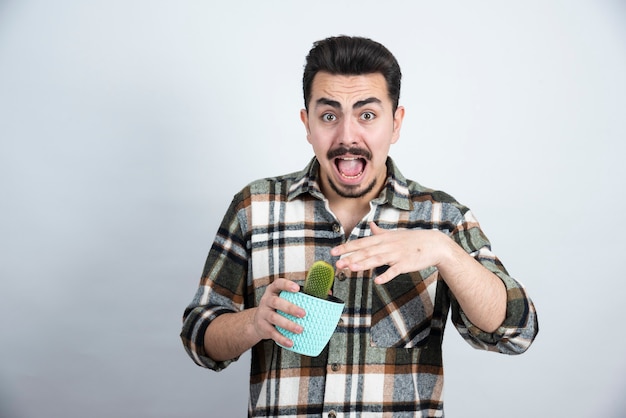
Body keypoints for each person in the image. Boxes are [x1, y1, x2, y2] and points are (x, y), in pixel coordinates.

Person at [180, 35, 538, 417]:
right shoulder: (255, 208)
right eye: (329, 116)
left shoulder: (441, 218)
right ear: (307, 123)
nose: (348, 136)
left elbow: (516, 332)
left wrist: (445, 252)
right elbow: (200, 338)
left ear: (396, 123)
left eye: (367, 115)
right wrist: (256, 322)